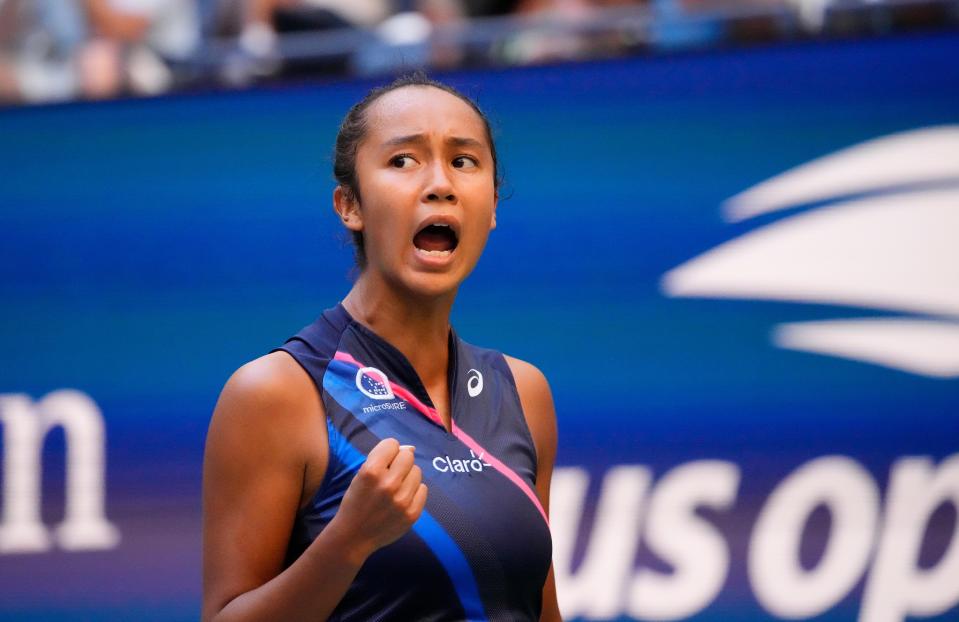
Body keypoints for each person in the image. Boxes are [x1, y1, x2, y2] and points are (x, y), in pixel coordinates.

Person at [202, 73, 562, 621]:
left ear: (491, 205)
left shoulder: (523, 391)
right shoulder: (277, 393)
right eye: (403, 161)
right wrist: (347, 542)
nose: (440, 183)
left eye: (464, 161)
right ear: (350, 206)